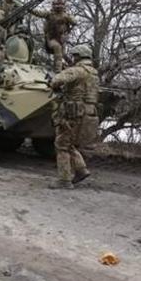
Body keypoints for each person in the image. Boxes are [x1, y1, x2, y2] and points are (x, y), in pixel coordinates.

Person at [49, 44, 100, 189]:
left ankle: (64, 180)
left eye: (74, 55)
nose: (72, 58)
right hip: (88, 112)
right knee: (68, 142)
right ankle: (81, 169)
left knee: (61, 144)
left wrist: (56, 80)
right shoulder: (94, 73)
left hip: (74, 112)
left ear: (78, 56)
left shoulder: (78, 70)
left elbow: (56, 80)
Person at [31, 0, 77, 72]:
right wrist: (31, 9)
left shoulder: (66, 15)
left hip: (62, 39)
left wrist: (70, 18)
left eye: (60, 4)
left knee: (63, 54)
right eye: (57, 4)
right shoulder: (49, 14)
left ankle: (70, 66)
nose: (58, 6)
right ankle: (57, 70)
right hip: (51, 38)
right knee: (57, 48)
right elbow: (39, 13)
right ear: (53, 5)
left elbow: (74, 22)